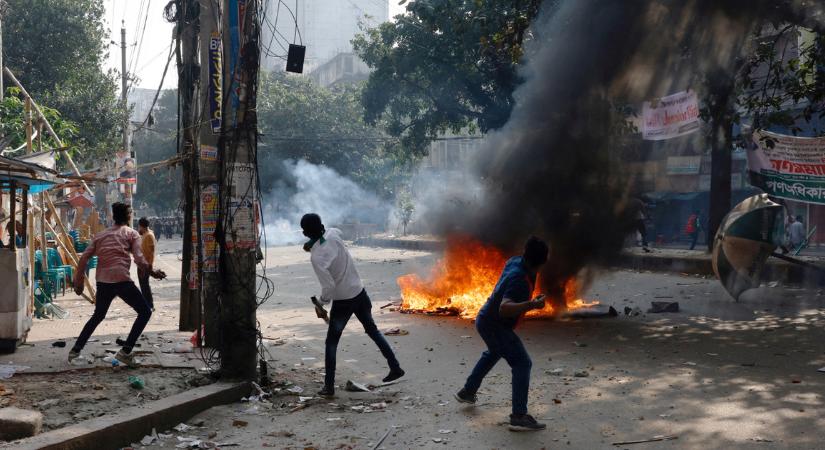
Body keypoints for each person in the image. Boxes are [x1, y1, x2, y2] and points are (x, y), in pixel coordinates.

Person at [301, 213, 404, 398]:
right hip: (360, 293)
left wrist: (322, 303)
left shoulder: (316, 257)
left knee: (331, 343)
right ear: (322, 225)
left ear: (305, 233)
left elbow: (329, 287)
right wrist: (314, 243)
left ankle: (329, 387)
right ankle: (395, 367)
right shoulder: (333, 234)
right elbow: (329, 236)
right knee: (373, 331)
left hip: (343, 302)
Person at [454, 236, 550, 432]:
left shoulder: (516, 261)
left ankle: (468, 391)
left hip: (486, 320)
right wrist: (532, 304)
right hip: (494, 325)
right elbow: (504, 308)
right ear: (542, 262)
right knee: (522, 363)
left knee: (494, 352)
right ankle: (518, 416)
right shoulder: (519, 279)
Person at [69, 203, 165, 367]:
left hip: (103, 282)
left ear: (113, 217)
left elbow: (84, 257)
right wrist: (152, 271)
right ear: (129, 217)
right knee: (145, 312)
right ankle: (126, 351)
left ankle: (75, 350)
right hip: (121, 280)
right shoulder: (132, 234)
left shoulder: (100, 236)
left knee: (98, 315)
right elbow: (139, 259)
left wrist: (79, 283)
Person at [137, 217, 157, 311]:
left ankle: (149, 305)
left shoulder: (149, 235)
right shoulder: (145, 234)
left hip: (145, 264)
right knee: (143, 285)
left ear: (141, 226)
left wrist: (150, 264)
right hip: (141, 264)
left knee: (145, 286)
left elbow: (152, 252)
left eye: (139, 226)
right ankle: (147, 305)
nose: (138, 228)